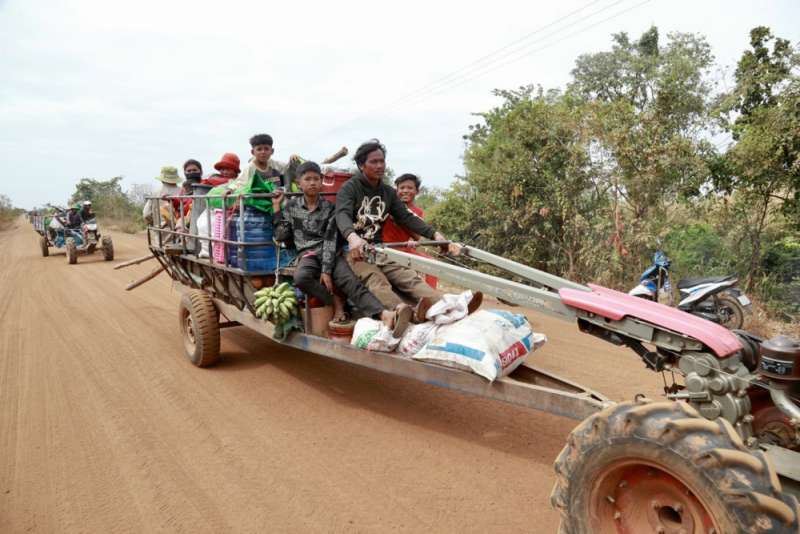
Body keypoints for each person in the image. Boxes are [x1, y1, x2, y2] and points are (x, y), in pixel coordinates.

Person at [335, 139, 481, 321]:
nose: (379, 166)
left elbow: (407, 217)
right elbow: (341, 215)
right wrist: (352, 238)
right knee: (376, 280)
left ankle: (447, 306)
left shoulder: (388, 192)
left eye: (382, 161)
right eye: (374, 162)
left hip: (379, 249)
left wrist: (435, 235)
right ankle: (403, 312)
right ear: (361, 165)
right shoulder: (350, 188)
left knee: (407, 277)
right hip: (354, 252)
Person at [273, 161, 412, 336]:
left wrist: (326, 270)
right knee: (301, 278)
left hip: (331, 253)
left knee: (350, 282)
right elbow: (281, 236)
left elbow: (331, 239)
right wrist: (276, 207)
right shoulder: (291, 207)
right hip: (308, 255)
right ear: (298, 183)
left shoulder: (330, 208)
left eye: (316, 179)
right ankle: (335, 301)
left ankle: (384, 314)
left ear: (322, 181)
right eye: (307, 179)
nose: (312, 183)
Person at [381, 173, 438, 288]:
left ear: (417, 191)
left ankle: (430, 295)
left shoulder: (418, 211)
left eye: (410, 188)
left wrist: (412, 241)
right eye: (402, 188)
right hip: (386, 248)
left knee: (432, 264)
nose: (405, 191)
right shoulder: (388, 206)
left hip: (405, 249)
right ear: (396, 190)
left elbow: (416, 236)